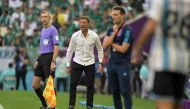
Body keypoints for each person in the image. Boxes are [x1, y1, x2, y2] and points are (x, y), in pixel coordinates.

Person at [132, 0, 190, 109]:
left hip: (164, 62)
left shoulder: (163, 2)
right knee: (175, 104)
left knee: (164, 103)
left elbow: (149, 28)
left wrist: (137, 49)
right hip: (182, 62)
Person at [66, 16, 104, 109]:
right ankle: (71, 105)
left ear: (88, 24)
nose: (82, 24)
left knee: (90, 85)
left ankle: (89, 105)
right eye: (81, 23)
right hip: (77, 61)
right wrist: (67, 65)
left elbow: (100, 49)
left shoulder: (94, 36)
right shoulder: (75, 35)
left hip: (90, 62)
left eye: (84, 23)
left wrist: (100, 63)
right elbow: (70, 50)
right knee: (73, 84)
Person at [102, 6, 133, 109]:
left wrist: (112, 43)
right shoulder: (111, 30)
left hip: (123, 64)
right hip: (111, 64)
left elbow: (123, 49)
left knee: (125, 91)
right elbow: (104, 45)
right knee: (115, 92)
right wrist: (115, 33)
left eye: (116, 15)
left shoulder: (128, 30)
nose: (113, 17)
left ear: (123, 15)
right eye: (113, 15)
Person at [32, 11, 59, 109]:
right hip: (42, 58)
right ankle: (44, 104)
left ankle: (52, 107)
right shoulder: (43, 30)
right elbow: (43, 48)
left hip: (49, 58)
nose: (43, 18)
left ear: (49, 18)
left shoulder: (53, 30)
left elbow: (56, 47)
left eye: (45, 17)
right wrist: (38, 59)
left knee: (49, 85)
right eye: (42, 17)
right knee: (35, 85)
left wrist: (53, 61)